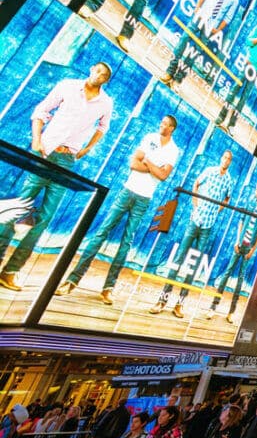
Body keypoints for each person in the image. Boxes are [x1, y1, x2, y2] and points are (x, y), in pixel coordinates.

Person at [0, 63, 115, 292]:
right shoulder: (68, 86)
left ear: (106, 81)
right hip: (45, 152)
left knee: (44, 219)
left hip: (67, 160)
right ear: (91, 69)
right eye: (98, 71)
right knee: (19, 209)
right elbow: (40, 111)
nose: (99, 76)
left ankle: (10, 272)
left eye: (104, 76)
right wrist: (36, 140)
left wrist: (87, 149)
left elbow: (103, 127)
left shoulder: (106, 102)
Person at [59, 116, 180, 305]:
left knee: (126, 243)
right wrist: (153, 167)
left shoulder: (174, 150)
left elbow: (164, 175)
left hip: (144, 199)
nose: (161, 125)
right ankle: (72, 280)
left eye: (165, 124)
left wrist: (147, 161)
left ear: (172, 128)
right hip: (127, 191)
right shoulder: (150, 137)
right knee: (101, 233)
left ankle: (108, 288)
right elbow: (133, 164)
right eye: (161, 122)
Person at [151, 150, 237, 318]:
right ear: (221, 158)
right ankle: (162, 300)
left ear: (230, 163)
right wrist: (195, 204)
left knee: (194, 266)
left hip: (208, 225)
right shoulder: (209, 170)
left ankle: (179, 304)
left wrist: (218, 210)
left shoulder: (229, 180)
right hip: (195, 220)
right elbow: (196, 184)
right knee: (178, 260)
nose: (225, 160)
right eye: (224, 157)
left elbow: (227, 199)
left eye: (228, 159)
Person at [160, 0, 243, 87]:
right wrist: (197, 7)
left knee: (195, 52)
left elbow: (228, 18)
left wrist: (217, 29)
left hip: (211, 26)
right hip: (200, 16)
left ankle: (178, 79)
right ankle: (170, 71)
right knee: (183, 40)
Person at [205, 180, 257, 322]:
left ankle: (231, 312)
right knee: (227, 273)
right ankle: (213, 307)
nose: (255, 192)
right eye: (255, 189)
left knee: (240, 279)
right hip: (240, 244)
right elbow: (241, 220)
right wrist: (237, 240)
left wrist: (253, 249)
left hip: (249, 247)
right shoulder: (250, 201)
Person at [216, 20, 257, 130]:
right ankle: (221, 117)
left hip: (256, 71)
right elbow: (247, 42)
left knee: (244, 98)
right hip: (247, 65)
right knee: (233, 90)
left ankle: (231, 125)